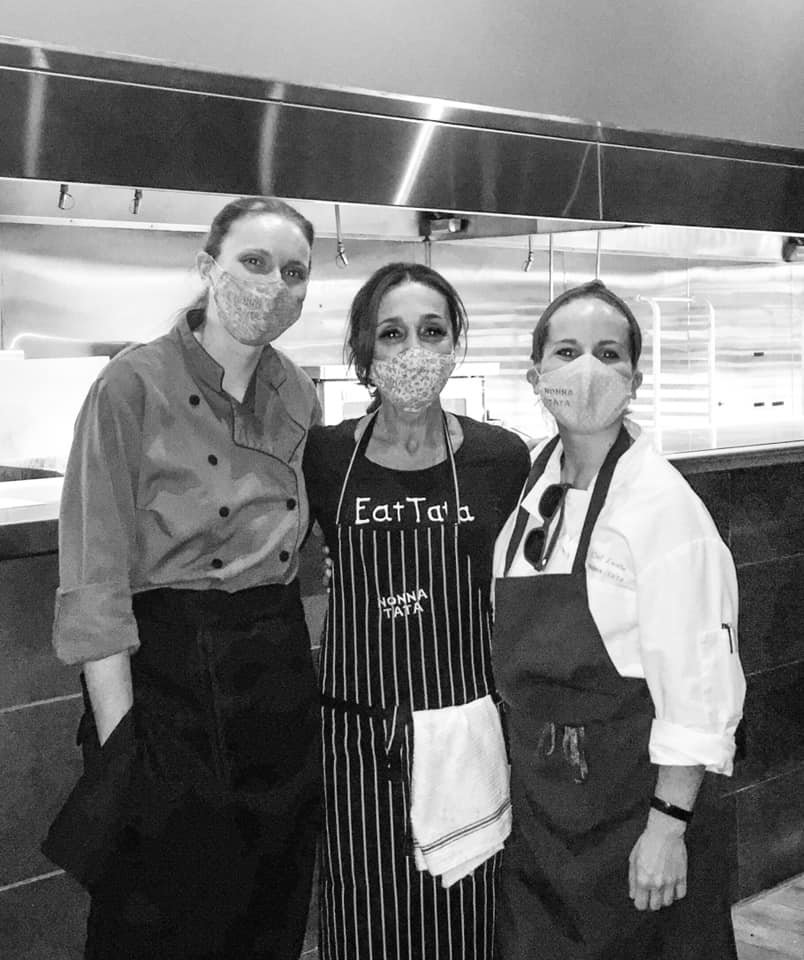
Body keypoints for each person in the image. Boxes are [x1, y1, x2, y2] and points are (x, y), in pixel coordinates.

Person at [45, 196, 322, 960]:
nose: (273, 285)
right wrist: (124, 750)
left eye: (293, 272)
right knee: (159, 921)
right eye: (254, 262)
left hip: (276, 682)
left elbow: (302, 547)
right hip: (168, 684)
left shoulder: (298, 391)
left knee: (270, 911)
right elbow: (95, 581)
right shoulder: (132, 384)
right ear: (208, 267)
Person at [491, 279, 746, 960]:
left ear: (635, 379)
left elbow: (699, 684)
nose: (587, 368)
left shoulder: (663, 508)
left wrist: (668, 827)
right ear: (535, 376)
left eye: (608, 354)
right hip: (545, 808)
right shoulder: (532, 490)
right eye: (566, 351)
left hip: (636, 805)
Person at [303, 262, 530, 959]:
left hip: (464, 725)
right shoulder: (325, 457)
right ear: (364, 351)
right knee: (364, 916)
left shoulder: (500, 457)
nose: (413, 351)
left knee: (465, 920)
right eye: (392, 333)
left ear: (455, 344)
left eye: (432, 332)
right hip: (355, 734)